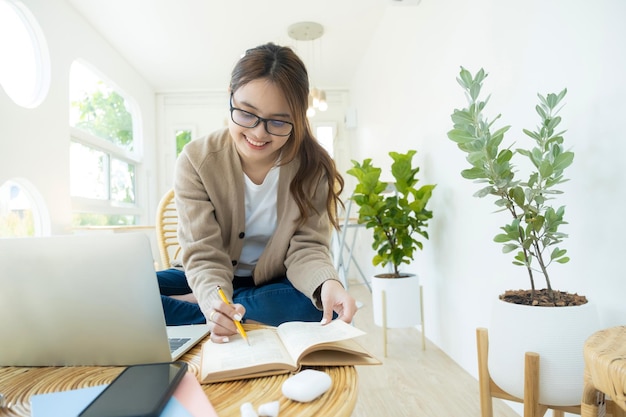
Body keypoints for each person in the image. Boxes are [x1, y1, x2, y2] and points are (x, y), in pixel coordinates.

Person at [158, 42, 357, 343]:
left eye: (278, 121)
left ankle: (200, 311)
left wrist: (326, 283)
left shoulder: (313, 168)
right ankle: (217, 309)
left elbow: (308, 248)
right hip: (205, 276)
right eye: (247, 114)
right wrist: (214, 298)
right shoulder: (196, 160)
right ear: (230, 96)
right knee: (123, 291)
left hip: (274, 281)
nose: (259, 133)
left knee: (313, 304)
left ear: (298, 118)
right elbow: (203, 253)